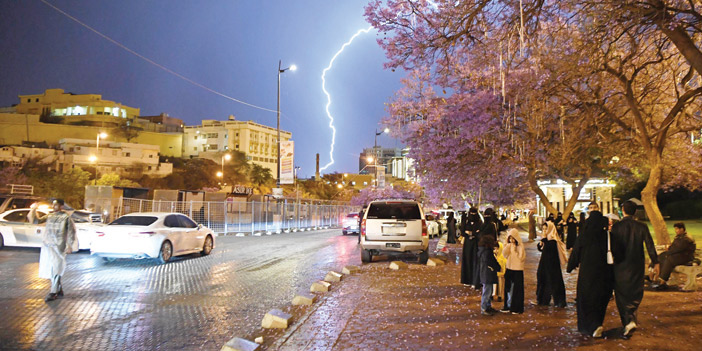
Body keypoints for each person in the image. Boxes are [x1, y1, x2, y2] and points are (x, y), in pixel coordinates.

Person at [610, 200, 660, 337]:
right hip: (637, 263)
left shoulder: (616, 227)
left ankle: (628, 320)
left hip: (620, 264)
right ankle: (631, 317)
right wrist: (655, 262)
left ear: (623, 210)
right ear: (635, 211)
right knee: (636, 290)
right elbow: (650, 245)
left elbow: (612, 248)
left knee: (621, 292)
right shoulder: (642, 226)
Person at [566, 201, 613, 338]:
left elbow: (576, 252)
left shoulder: (584, 235)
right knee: (600, 299)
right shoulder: (607, 236)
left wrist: (570, 266)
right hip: (604, 273)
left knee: (586, 299)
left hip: (587, 272)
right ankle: (597, 323)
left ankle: (588, 326)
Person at [30, 199, 77, 302]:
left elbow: (71, 232)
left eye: (56, 205)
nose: (53, 206)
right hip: (48, 245)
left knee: (56, 267)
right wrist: (34, 209)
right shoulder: (50, 216)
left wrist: (70, 245)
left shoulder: (66, 218)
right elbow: (36, 221)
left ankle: (53, 292)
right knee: (53, 267)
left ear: (61, 206)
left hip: (59, 246)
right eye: (53, 204)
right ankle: (58, 289)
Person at [653, 222, 695, 291]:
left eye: (677, 229)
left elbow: (678, 249)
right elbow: (673, 247)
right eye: (675, 229)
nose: (676, 231)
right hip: (678, 256)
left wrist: (669, 252)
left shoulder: (686, 238)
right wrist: (668, 250)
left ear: (682, 229)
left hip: (685, 257)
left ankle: (662, 282)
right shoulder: (679, 237)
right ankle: (656, 277)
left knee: (669, 259)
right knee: (661, 256)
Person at [536, 221, 567, 307]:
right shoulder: (546, 239)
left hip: (552, 264)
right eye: (543, 229)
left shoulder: (553, 239)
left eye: (546, 229)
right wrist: (541, 244)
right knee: (543, 279)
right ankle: (542, 299)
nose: (544, 230)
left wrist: (544, 240)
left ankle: (559, 301)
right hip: (544, 263)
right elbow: (542, 249)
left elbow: (550, 249)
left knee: (554, 281)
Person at [501, 228, 526, 314]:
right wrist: (507, 246)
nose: (511, 240)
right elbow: (504, 255)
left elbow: (521, 258)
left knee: (517, 289)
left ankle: (516, 307)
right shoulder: (509, 245)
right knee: (508, 288)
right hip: (509, 268)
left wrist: (515, 250)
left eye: (513, 238)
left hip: (517, 269)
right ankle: (507, 305)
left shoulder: (520, 246)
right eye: (510, 238)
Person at [478, 234, 501, 315]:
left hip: (486, 273)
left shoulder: (483, 251)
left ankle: (488, 306)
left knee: (489, 291)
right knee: (487, 292)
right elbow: (491, 262)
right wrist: (497, 267)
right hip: (487, 273)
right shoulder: (487, 252)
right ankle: (484, 308)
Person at [460, 208, 482, 288]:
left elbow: (479, 232)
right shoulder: (466, 222)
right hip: (468, 244)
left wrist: (472, 234)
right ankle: (467, 279)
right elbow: (462, 231)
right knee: (467, 260)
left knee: (475, 261)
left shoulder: (479, 222)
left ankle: (474, 280)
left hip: (475, 244)